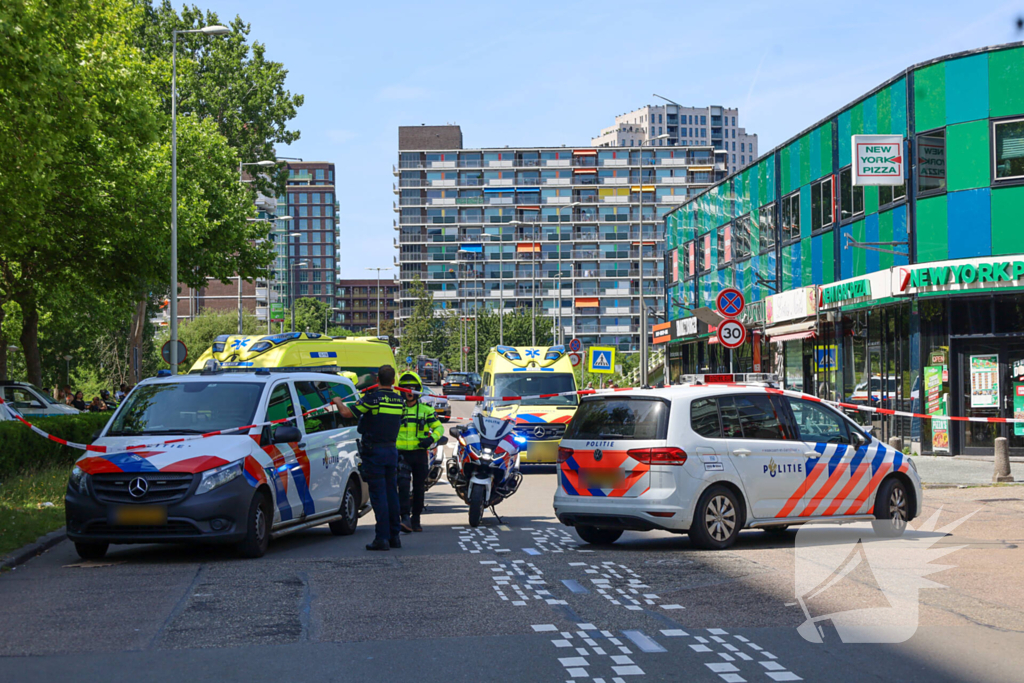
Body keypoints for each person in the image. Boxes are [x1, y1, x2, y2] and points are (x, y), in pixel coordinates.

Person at [334, 365, 404, 551]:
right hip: (391, 451)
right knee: (391, 494)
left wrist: (338, 401)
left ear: (376, 380)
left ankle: (381, 538)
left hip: (375, 453)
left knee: (379, 496)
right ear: (394, 381)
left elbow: (347, 413)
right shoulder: (399, 401)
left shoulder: (373, 400)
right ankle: (394, 537)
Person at [395, 371, 443, 533]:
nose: (410, 391)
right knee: (402, 485)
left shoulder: (425, 410)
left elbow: (439, 427)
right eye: (406, 388)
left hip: (420, 455)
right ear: (401, 390)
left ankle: (416, 519)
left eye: (413, 388)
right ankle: (405, 517)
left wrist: (431, 439)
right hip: (401, 454)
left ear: (418, 389)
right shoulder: (396, 410)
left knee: (419, 488)